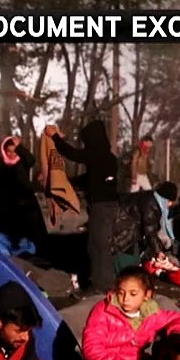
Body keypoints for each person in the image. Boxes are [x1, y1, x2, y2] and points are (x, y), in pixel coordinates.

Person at [47, 121, 119, 289]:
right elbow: (90, 179)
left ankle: (103, 285)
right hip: (102, 207)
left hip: (102, 207)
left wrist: (55, 137)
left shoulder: (99, 155)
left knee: (99, 245)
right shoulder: (105, 158)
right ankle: (99, 283)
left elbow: (72, 154)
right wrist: (67, 183)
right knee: (96, 245)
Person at [0, 135, 41, 246]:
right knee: (7, 238)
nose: (12, 154)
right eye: (9, 151)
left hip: (24, 207)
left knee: (26, 238)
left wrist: (19, 147)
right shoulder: (0, 164)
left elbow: (31, 160)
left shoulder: (22, 162)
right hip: (5, 208)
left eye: (14, 151)